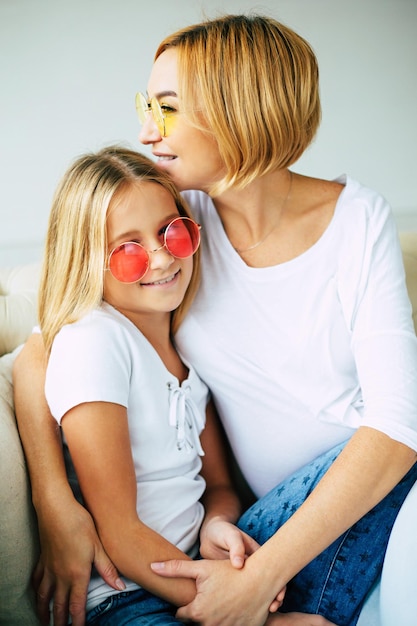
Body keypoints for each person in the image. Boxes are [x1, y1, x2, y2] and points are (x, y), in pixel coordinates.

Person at [14, 12, 417, 626]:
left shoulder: (357, 221)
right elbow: (47, 345)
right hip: (253, 537)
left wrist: (259, 579)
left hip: (337, 515)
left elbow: (398, 425)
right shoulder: (175, 222)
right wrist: (54, 501)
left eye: (167, 108)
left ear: (239, 109)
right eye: (146, 105)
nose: (147, 131)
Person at [22, 144, 277, 625]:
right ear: (86, 261)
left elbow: (219, 484)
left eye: (170, 232)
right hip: (127, 594)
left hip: (196, 566)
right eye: (128, 250)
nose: (161, 260)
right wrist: (239, 605)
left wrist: (216, 525)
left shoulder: (189, 353)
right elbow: (119, 532)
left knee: (373, 464)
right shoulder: (97, 340)